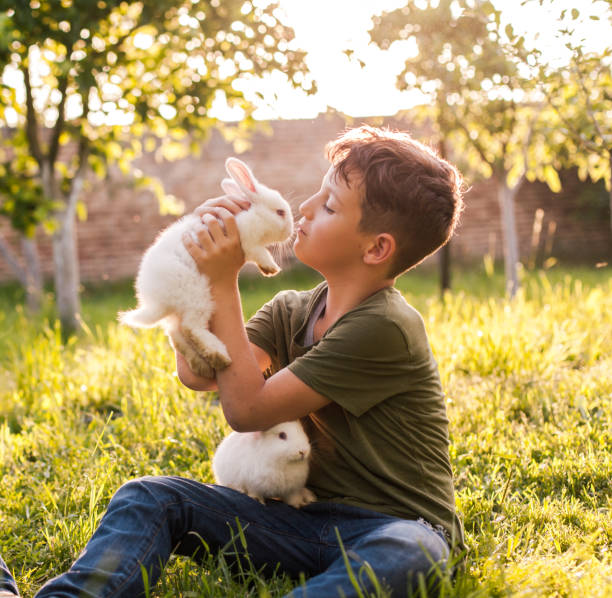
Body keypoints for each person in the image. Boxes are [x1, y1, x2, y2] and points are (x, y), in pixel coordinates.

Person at [0, 125, 465, 598]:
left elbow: (246, 410)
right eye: (316, 194)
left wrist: (225, 283)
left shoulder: (384, 327)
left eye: (328, 206)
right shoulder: (291, 309)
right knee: (150, 497)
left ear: (376, 248)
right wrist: (200, 269)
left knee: (409, 551)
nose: (304, 209)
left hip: (395, 526)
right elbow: (197, 374)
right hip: (298, 518)